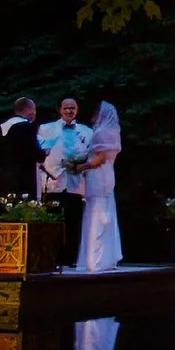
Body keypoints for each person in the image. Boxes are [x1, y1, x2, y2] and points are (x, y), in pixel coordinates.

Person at [36, 97, 92, 262]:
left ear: (77, 110)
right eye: (66, 107)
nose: (69, 110)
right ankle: (51, 257)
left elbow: (91, 155)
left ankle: (72, 258)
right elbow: (39, 153)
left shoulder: (87, 132)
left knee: (74, 221)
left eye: (72, 108)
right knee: (51, 221)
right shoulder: (46, 129)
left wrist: (79, 164)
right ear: (60, 109)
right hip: (53, 182)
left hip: (75, 182)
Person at [71, 102, 124, 273]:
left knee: (96, 214)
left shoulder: (102, 133)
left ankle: (95, 259)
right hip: (107, 174)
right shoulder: (113, 131)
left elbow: (99, 158)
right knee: (104, 211)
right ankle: (105, 258)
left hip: (98, 174)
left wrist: (79, 167)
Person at [0, 98, 41, 200]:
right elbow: (33, 152)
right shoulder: (26, 127)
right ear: (28, 109)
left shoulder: (1, 127)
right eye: (34, 109)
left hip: (5, 176)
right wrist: (43, 154)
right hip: (24, 177)